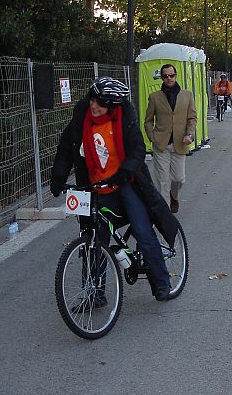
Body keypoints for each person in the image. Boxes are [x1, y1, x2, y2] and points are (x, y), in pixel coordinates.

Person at [49, 76, 178, 302]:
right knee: (93, 239)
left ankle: (161, 282)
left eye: (100, 102)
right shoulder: (82, 117)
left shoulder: (124, 118)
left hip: (125, 182)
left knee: (142, 230)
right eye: (92, 99)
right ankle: (94, 293)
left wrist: (123, 174)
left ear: (112, 105)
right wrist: (58, 178)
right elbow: (66, 148)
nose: (93, 105)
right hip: (93, 185)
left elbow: (137, 151)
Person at [144, 63, 197, 214]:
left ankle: (174, 197)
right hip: (161, 145)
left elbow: (192, 118)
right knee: (162, 182)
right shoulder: (155, 97)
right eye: (165, 76)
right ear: (161, 78)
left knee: (179, 179)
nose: (169, 78)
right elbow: (148, 120)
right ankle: (164, 215)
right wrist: (152, 137)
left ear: (176, 75)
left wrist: (190, 134)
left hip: (180, 143)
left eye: (171, 75)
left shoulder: (187, 95)